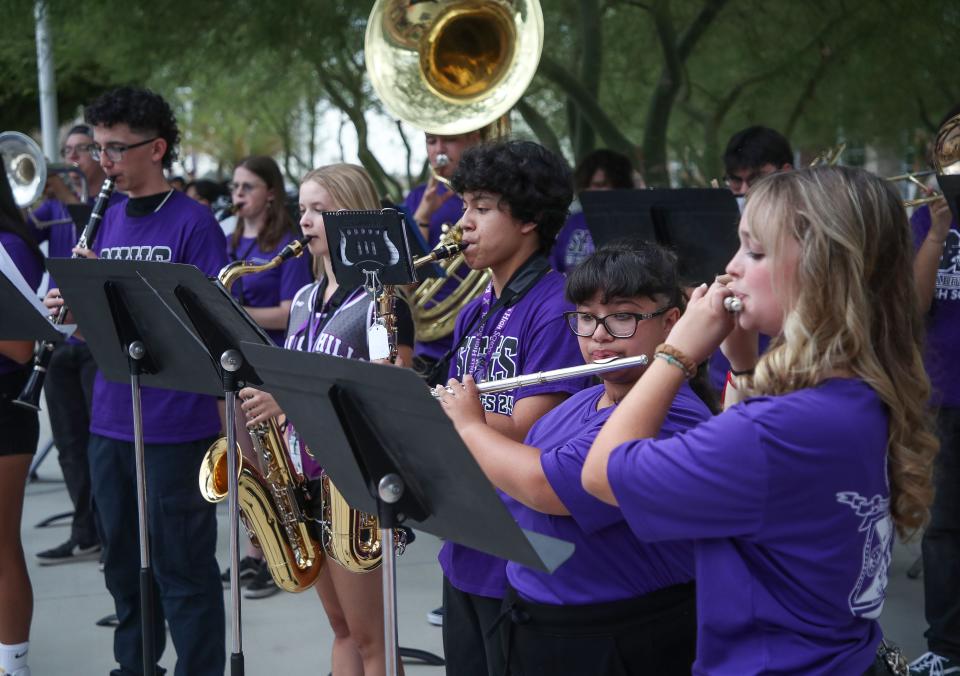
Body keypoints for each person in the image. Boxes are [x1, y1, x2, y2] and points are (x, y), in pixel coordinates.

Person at [582, 166, 938, 675]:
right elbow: (758, 486)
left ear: (822, 269)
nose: (731, 267)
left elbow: (601, 470)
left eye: (755, 251)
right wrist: (744, 366)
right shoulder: (857, 391)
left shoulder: (777, 430)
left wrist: (675, 354)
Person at [436, 240, 710, 674]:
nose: (599, 334)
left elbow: (544, 487)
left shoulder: (671, 415)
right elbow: (513, 485)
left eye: (622, 316)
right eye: (585, 318)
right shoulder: (581, 405)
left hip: (618, 638)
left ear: (671, 323)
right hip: (540, 625)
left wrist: (470, 426)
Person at [45, 87, 227, 676]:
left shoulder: (196, 224)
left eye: (116, 150)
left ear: (157, 148)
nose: (104, 164)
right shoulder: (105, 218)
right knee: (123, 568)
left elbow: (212, 329)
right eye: (98, 149)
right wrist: (74, 311)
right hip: (111, 419)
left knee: (183, 570)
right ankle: (135, 668)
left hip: (177, 426)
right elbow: (96, 335)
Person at [238, 163, 414, 675]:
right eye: (303, 210)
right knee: (341, 630)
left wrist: (290, 402)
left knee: (371, 637)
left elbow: (389, 397)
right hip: (304, 480)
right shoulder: (302, 302)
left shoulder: (383, 305)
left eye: (322, 210)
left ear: (355, 218)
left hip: (355, 488)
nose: (307, 220)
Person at [438, 139, 593, 676]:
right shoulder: (476, 309)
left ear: (528, 218)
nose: (464, 223)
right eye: (464, 207)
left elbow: (536, 428)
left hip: (517, 555)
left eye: (481, 208)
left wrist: (440, 414)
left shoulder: (556, 308)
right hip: (466, 544)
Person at [29, 124, 124, 566]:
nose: (71, 159)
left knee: (96, 441)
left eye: (80, 150)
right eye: (66, 151)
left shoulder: (109, 204)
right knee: (68, 441)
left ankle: (110, 533)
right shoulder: (51, 206)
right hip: (61, 334)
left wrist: (70, 200)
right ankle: (84, 530)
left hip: (95, 339)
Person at [219, 156, 313, 599]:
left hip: (267, 367)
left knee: (268, 465)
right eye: (235, 187)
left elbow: (289, 310)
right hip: (234, 367)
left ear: (271, 193)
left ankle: (272, 553)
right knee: (244, 468)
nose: (237, 196)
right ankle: (256, 550)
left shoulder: (286, 245)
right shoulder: (233, 237)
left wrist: (234, 312)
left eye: (247, 187)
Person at [907, 104, 960, 676]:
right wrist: (938, 227)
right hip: (946, 393)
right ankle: (947, 648)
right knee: (944, 527)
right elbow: (912, 308)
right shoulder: (928, 217)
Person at [706, 125, 794, 394]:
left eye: (755, 251)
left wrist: (674, 357)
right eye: (735, 181)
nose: (744, 191)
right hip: (732, 368)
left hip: (776, 370)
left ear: (786, 172)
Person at [0, 162, 45, 676]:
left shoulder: (9, 246)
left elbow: (19, 346)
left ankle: (15, 665)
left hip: (5, 407)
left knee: (2, 543)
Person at [403, 129, 483, 385]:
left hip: (476, 329)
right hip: (427, 335)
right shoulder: (418, 197)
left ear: (473, 140)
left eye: (449, 139)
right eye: (431, 141)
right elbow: (404, 275)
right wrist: (423, 216)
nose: (439, 149)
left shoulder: (484, 196)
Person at [549, 149, 635, 273]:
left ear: (619, 185)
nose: (591, 191)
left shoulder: (632, 224)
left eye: (600, 185)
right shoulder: (574, 221)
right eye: (586, 185)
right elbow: (554, 264)